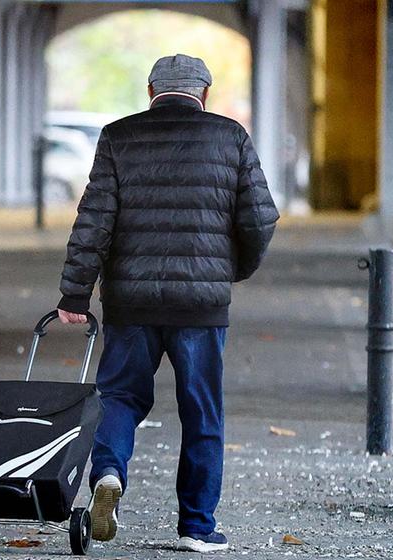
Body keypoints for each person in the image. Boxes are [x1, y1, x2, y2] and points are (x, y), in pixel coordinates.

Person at [55, 54, 278, 552]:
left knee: (120, 397)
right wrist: (230, 269)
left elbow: (94, 221)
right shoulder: (231, 137)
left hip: (131, 302)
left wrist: (74, 292)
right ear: (204, 93)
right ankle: (197, 527)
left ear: (151, 89)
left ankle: (108, 474)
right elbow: (261, 219)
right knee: (202, 412)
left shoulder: (118, 136)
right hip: (201, 306)